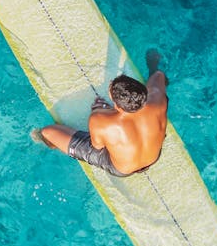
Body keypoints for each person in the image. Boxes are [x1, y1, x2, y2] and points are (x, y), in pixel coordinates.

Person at [31, 49, 168, 177]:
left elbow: (97, 146)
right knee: (157, 74)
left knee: (47, 132)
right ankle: (153, 65)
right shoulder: (157, 99)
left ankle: (51, 143)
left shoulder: (99, 119)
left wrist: (101, 111)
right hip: (153, 157)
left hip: (122, 169)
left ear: (117, 106)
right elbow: (159, 77)